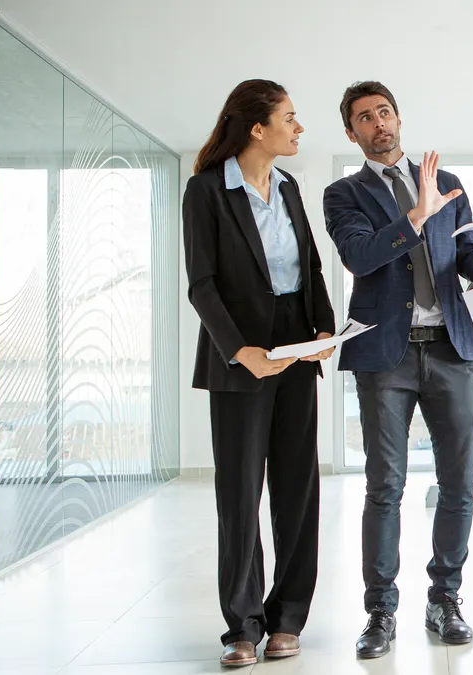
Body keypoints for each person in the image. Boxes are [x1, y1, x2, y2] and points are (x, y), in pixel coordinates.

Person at [322, 81, 473, 659]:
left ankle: (444, 599)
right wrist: (417, 216)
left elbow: (466, 259)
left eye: (385, 112)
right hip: (385, 354)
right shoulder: (342, 194)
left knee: (461, 482)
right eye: (365, 119)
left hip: (450, 347)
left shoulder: (449, 185)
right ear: (352, 133)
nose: (379, 124)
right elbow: (361, 256)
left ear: (399, 118)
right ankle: (381, 612)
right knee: (385, 486)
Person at [182, 79, 336, 667]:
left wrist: (323, 329)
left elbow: (311, 266)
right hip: (242, 357)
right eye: (290, 119)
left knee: (298, 489)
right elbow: (202, 283)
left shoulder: (291, 187)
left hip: (296, 345)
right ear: (256, 128)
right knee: (240, 492)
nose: (298, 129)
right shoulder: (207, 192)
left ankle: (288, 617)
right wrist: (240, 351)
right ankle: (242, 627)